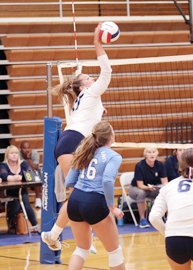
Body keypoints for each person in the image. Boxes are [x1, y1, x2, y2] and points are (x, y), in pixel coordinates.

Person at [42, 22, 112, 252]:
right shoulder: (90, 92)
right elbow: (107, 72)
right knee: (80, 194)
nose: (93, 79)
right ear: (83, 87)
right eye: (89, 78)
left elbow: (90, 117)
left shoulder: (84, 100)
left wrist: (99, 112)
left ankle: (62, 235)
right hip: (72, 143)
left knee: (80, 193)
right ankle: (57, 234)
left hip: (72, 143)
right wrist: (96, 42)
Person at [65, 121, 125, 270]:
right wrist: (112, 207)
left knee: (81, 248)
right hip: (94, 202)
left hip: (75, 200)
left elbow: (69, 180)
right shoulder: (114, 156)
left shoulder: (84, 150)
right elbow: (107, 179)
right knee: (114, 251)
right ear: (111, 136)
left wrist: (80, 198)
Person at [0, 145, 38, 234]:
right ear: (7, 155)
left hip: (22, 190)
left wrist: (14, 177)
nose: (14, 155)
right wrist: (20, 177)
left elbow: (30, 175)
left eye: (16, 153)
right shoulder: (4, 165)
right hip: (10, 191)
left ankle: (36, 226)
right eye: (11, 153)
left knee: (26, 205)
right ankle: (11, 224)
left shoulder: (23, 163)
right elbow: (4, 177)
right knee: (15, 206)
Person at [129, 147, 168, 228]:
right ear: (145, 155)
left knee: (165, 191)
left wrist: (163, 187)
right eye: (149, 152)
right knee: (141, 193)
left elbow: (165, 182)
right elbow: (140, 185)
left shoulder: (160, 165)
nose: (152, 154)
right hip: (136, 188)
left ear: (157, 154)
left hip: (152, 188)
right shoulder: (139, 166)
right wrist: (148, 187)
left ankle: (168, 218)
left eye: (153, 152)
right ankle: (142, 220)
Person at [20, 140, 42, 208]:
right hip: (21, 174)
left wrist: (28, 158)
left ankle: (38, 198)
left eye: (28, 147)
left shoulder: (35, 154)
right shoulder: (17, 154)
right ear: (21, 149)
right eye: (24, 148)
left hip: (32, 173)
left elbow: (34, 168)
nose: (27, 150)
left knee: (35, 174)